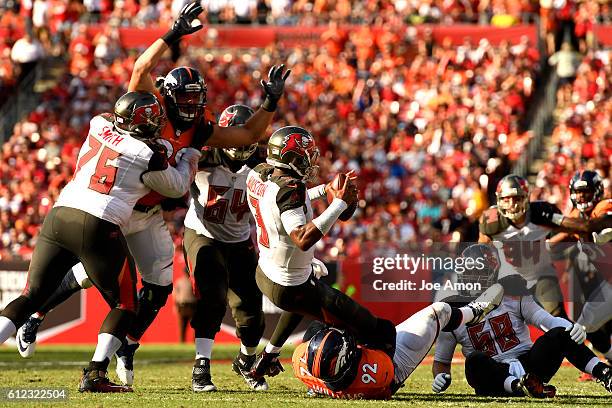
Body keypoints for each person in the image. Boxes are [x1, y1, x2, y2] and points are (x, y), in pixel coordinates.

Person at [15, 1, 290, 387]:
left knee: (157, 286)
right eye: (187, 99)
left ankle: (125, 345)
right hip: (112, 205)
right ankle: (37, 316)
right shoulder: (151, 109)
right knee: (85, 274)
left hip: (144, 213)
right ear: (167, 96)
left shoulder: (199, 129)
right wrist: (172, 34)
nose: (193, 106)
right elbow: (140, 70)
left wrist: (270, 103)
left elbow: (246, 136)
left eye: (198, 99)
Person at [0, 90, 202, 392]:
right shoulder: (147, 155)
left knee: (31, 296)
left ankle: (34, 320)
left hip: (59, 215)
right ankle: (95, 374)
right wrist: (189, 159)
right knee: (125, 304)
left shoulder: (98, 124)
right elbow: (175, 186)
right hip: (97, 222)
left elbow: (114, 118)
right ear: (144, 126)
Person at [245, 126, 397, 380]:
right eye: (305, 156)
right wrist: (338, 203)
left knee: (305, 308)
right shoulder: (289, 191)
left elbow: (285, 204)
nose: (310, 161)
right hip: (290, 285)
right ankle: (379, 380)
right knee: (377, 329)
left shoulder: (259, 174)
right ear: (291, 158)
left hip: (267, 271)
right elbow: (302, 238)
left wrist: (324, 189)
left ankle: (268, 357)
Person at [432, 244, 612, 397]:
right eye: (469, 272)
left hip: (531, 365)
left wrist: (572, 328)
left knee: (560, 333)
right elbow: (441, 361)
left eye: (479, 272)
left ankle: (604, 373)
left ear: (493, 273)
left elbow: (547, 321)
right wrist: (440, 376)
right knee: (474, 360)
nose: (473, 278)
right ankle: (520, 387)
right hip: (494, 376)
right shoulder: (454, 310)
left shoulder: (513, 295)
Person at [292, 282, 505, 399]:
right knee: (439, 311)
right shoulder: (376, 373)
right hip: (390, 362)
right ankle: (473, 312)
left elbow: (314, 326)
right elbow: (385, 333)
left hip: (341, 369)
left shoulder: (301, 360)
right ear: (352, 355)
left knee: (325, 318)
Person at [183, 104, 266, 392]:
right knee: (212, 295)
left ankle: (246, 360)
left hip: (240, 238)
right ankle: (201, 365)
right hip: (203, 232)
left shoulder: (261, 165)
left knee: (252, 307)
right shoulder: (202, 156)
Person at [479, 174, 611, 318]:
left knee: (559, 321)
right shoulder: (491, 221)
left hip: (541, 276)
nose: (512, 204)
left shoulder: (540, 213)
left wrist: (597, 228)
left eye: (517, 198)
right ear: (499, 199)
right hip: (509, 279)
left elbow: (578, 227)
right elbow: (480, 251)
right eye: (506, 199)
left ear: (526, 197)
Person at [548, 170, 612, 381]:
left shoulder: (605, 207)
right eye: (578, 192)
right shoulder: (577, 217)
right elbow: (565, 234)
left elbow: (589, 226)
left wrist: (554, 217)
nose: (582, 197)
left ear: (597, 192)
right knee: (584, 328)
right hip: (609, 285)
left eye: (586, 192)